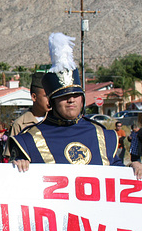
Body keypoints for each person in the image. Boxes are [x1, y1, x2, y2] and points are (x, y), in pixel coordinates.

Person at [10, 33, 142, 180]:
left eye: (76, 95)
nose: (71, 99)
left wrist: (131, 169)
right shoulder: (28, 140)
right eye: (64, 96)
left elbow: (115, 171)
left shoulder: (103, 135)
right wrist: (17, 168)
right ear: (52, 101)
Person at [4, 72, 49, 158]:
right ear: (34, 97)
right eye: (46, 96)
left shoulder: (55, 121)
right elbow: (10, 156)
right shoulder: (20, 124)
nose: (49, 100)